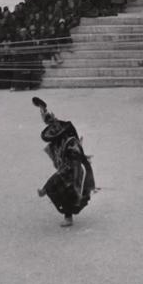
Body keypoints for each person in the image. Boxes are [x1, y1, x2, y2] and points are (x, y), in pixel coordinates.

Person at [34, 97, 96, 227]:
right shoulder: (59, 139)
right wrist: (43, 109)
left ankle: (68, 216)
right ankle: (68, 216)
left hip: (74, 170)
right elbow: (52, 121)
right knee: (62, 190)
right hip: (66, 168)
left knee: (67, 191)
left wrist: (46, 187)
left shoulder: (71, 144)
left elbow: (75, 163)